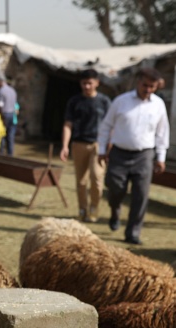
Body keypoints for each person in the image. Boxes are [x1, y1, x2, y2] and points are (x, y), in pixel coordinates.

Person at [97, 67, 170, 245]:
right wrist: (101, 149)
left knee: (141, 194)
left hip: (144, 155)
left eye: (152, 86)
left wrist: (161, 157)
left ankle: (133, 232)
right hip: (119, 153)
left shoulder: (158, 105)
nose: (148, 89)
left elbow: (162, 132)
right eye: (145, 85)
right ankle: (115, 210)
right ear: (138, 82)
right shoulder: (121, 101)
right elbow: (106, 125)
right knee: (115, 187)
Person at [59, 68, 112, 222]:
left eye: (90, 83)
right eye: (84, 83)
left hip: (98, 144)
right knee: (81, 181)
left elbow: (111, 125)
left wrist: (109, 145)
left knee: (96, 178)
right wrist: (65, 146)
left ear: (97, 83)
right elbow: (67, 124)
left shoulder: (104, 101)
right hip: (79, 143)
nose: (87, 86)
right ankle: (82, 209)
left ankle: (94, 208)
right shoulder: (75, 101)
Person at [0, 75, 18, 155]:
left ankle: (1, 153)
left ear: (0, 82)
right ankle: (10, 153)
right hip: (12, 114)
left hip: (5, 114)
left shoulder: (1, 91)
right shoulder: (12, 90)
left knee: (2, 134)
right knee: (10, 135)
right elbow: (15, 104)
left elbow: (0, 104)